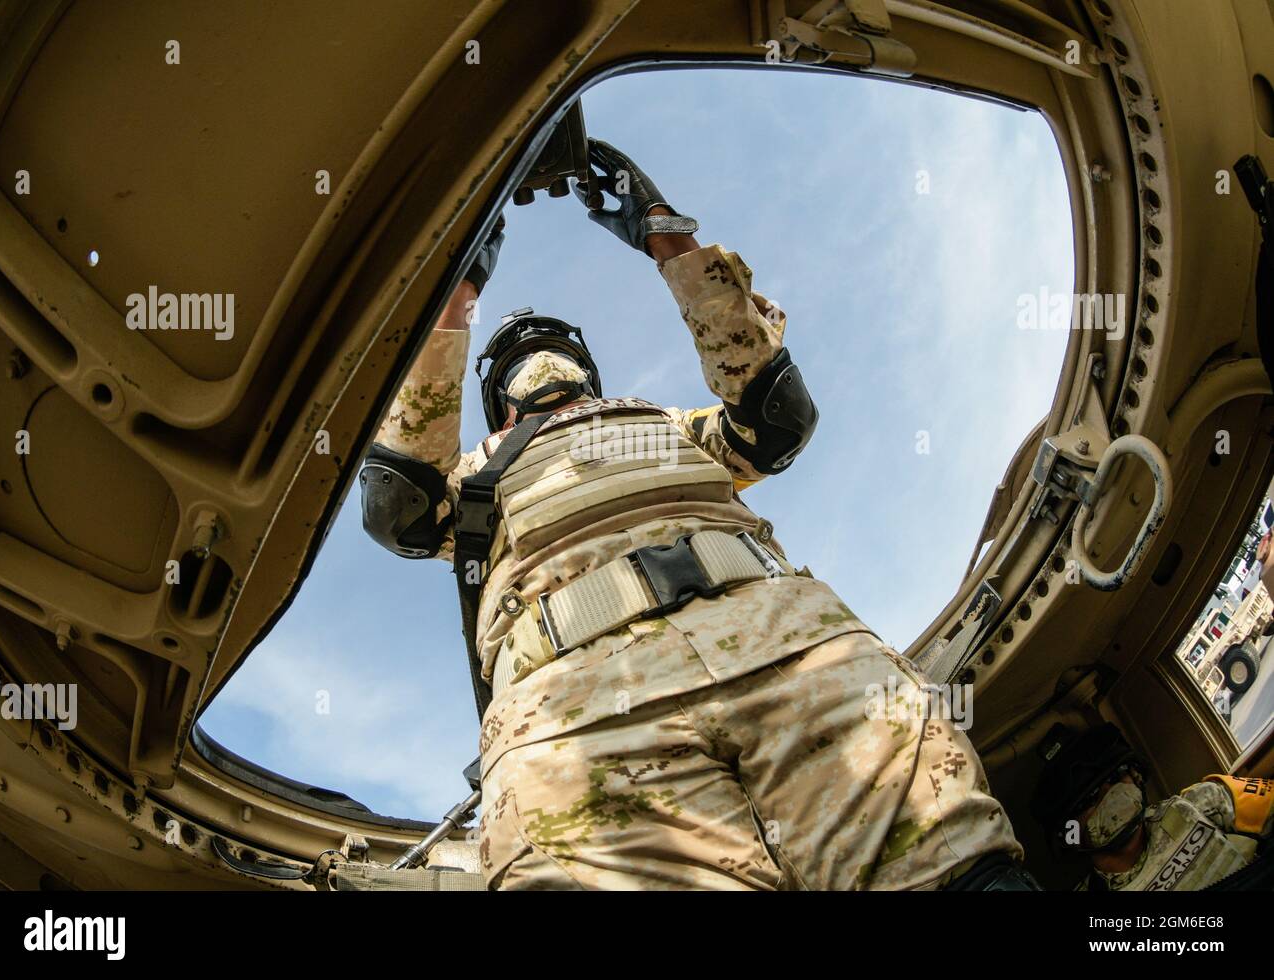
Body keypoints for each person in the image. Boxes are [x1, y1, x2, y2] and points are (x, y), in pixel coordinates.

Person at [361, 139, 1028, 890]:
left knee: (953, 870)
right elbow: (398, 506)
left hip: (793, 655)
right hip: (579, 711)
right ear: (499, 400)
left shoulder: (666, 425)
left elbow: (775, 418)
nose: (543, 366)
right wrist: (456, 289)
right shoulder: (477, 473)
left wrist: (665, 234)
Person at [1031, 723, 1273, 890]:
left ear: (1135, 776)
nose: (1111, 794)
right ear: (1071, 834)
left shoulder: (1199, 802)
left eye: (1116, 777)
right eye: (1090, 799)